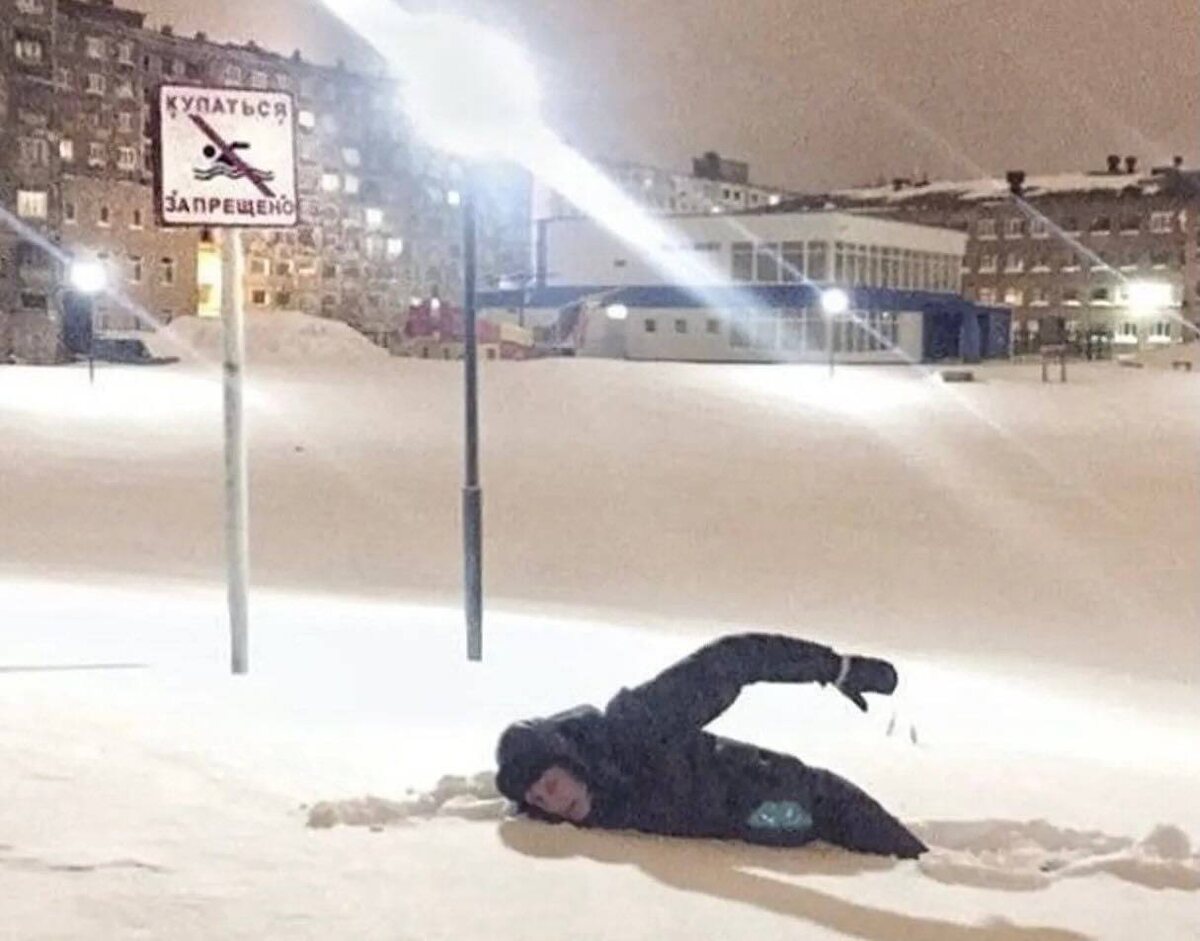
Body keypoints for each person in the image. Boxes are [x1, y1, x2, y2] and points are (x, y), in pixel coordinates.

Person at [495, 633, 927, 859]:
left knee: (910, 863)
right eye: (538, 800)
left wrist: (835, 668)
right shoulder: (576, 811)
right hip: (751, 836)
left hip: (794, 802)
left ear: (570, 760)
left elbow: (731, 660)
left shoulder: (637, 725)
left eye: (551, 785)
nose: (554, 804)